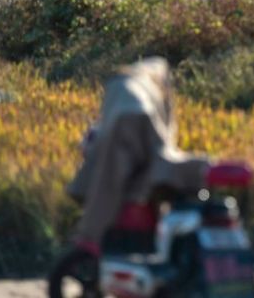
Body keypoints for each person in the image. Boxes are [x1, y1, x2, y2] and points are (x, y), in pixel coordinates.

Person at [66, 57, 210, 256]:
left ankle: (92, 237)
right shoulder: (154, 85)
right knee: (151, 174)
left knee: (108, 183)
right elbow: (166, 133)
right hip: (138, 122)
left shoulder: (122, 82)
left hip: (122, 124)